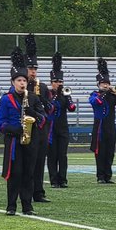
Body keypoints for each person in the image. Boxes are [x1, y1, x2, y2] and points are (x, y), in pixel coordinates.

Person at [0, 48, 37, 215]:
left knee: (28, 173)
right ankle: (11, 206)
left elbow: (42, 117)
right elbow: (1, 124)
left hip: (29, 140)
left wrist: (33, 115)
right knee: (15, 173)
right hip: (13, 141)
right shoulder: (6, 99)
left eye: (24, 81)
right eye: (19, 80)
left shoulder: (32, 98)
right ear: (13, 82)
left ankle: (27, 206)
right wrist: (16, 129)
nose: (22, 83)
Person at [24, 34, 51, 203]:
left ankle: (38, 192)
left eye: (35, 69)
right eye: (30, 68)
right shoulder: (21, 84)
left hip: (40, 129)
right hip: (26, 129)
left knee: (40, 161)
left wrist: (42, 101)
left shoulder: (41, 86)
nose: (33, 71)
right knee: (28, 162)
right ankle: (26, 191)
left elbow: (50, 108)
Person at [88, 58, 116, 184]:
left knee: (110, 152)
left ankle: (108, 175)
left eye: (107, 83)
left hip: (110, 127)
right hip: (99, 128)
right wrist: (104, 93)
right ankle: (100, 176)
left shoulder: (112, 96)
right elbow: (95, 102)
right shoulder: (94, 94)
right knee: (100, 152)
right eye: (103, 83)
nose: (106, 85)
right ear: (98, 84)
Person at [45, 53, 76, 189]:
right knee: (52, 155)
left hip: (63, 128)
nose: (59, 84)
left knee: (62, 155)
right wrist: (56, 97)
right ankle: (53, 180)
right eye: (56, 81)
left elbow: (72, 109)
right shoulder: (48, 94)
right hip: (51, 129)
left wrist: (68, 98)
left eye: (60, 82)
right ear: (52, 82)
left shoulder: (65, 94)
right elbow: (49, 109)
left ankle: (62, 179)